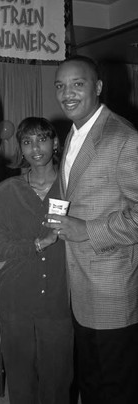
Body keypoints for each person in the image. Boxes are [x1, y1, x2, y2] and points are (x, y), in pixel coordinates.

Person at [45, 54, 138, 404]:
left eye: (77, 84)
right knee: (91, 381)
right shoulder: (74, 133)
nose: (67, 93)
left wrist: (88, 229)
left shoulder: (123, 137)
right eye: (60, 86)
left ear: (98, 87)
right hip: (78, 283)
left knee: (115, 386)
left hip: (112, 287)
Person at [0, 117, 73, 404]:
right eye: (27, 141)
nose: (35, 148)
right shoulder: (7, 190)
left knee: (59, 378)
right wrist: (40, 243)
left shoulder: (72, 187)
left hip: (60, 298)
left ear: (56, 143)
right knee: (21, 379)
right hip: (16, 298)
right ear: (20, 149)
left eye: (42, 139)